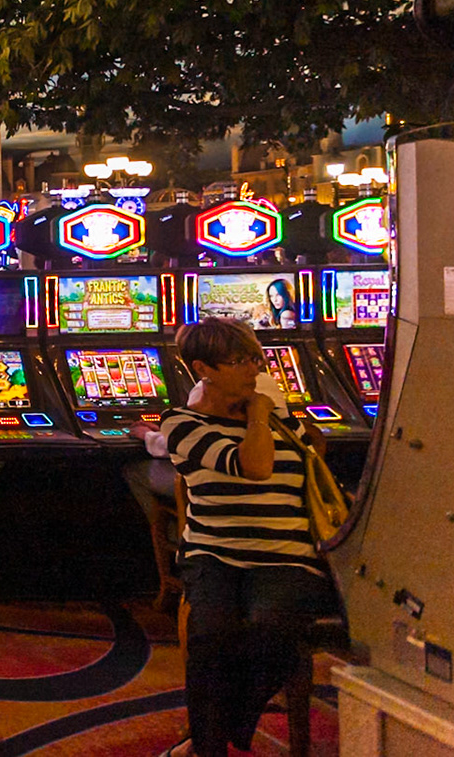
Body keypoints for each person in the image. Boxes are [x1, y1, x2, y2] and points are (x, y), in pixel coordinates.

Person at [160, 318, 339, 757]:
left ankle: (214, 734)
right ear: (203, 369)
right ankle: (210, 748)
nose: (254, 369)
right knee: (209, 635)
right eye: (239, 361)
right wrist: (258, 416)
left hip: (287, 555)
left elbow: (311, 458)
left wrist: (272, 414)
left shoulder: (280, 420)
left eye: (256, 359)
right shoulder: (181, 424)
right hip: (213, 553)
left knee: (271, 628)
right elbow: (254, 466)